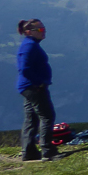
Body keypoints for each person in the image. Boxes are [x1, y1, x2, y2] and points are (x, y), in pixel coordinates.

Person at [17, 19, 58, 162]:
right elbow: (24, 69)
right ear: (29, 32)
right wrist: (38, 83)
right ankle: (48, 151)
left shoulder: (30, 44)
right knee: (47, 116)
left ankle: (29, 152)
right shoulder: (29, 46)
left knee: (31, 119)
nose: (43, 31)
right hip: (34, 88)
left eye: (43, 28)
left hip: (28, 87)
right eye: (39, 29)